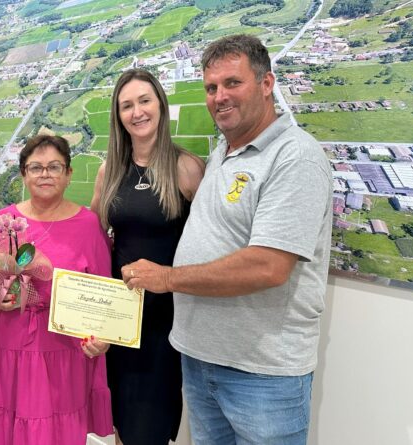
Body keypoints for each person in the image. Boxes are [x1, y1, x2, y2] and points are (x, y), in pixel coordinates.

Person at [121, 34, 332, 445]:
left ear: (267, 84)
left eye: (232, 83)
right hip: (201, 361)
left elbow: (268, 266)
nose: (220, 97)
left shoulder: (295, 157)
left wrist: (168, 278)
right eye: (211, 88)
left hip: (260, 373)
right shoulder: (225, 150)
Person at [0, 135, 113, 445]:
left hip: (64, 352)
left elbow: (104, 294)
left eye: (54, 167)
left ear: (69, 174)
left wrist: (102, 339)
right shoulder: (4, 221)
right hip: (10, 347)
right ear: (23, 174)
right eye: (36, 167)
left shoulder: (88, 225)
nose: (45, 174)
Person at [90, 68, 205, 445]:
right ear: (118, 115)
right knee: (122, 421)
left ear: (160, 105)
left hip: (166, 323)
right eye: (127, 105)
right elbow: (92, 240)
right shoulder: (110, 171)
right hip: (120, 320)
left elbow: (207, 246)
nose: (137, 112)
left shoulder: (185, 168)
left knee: (150, 428)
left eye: (144, 101)